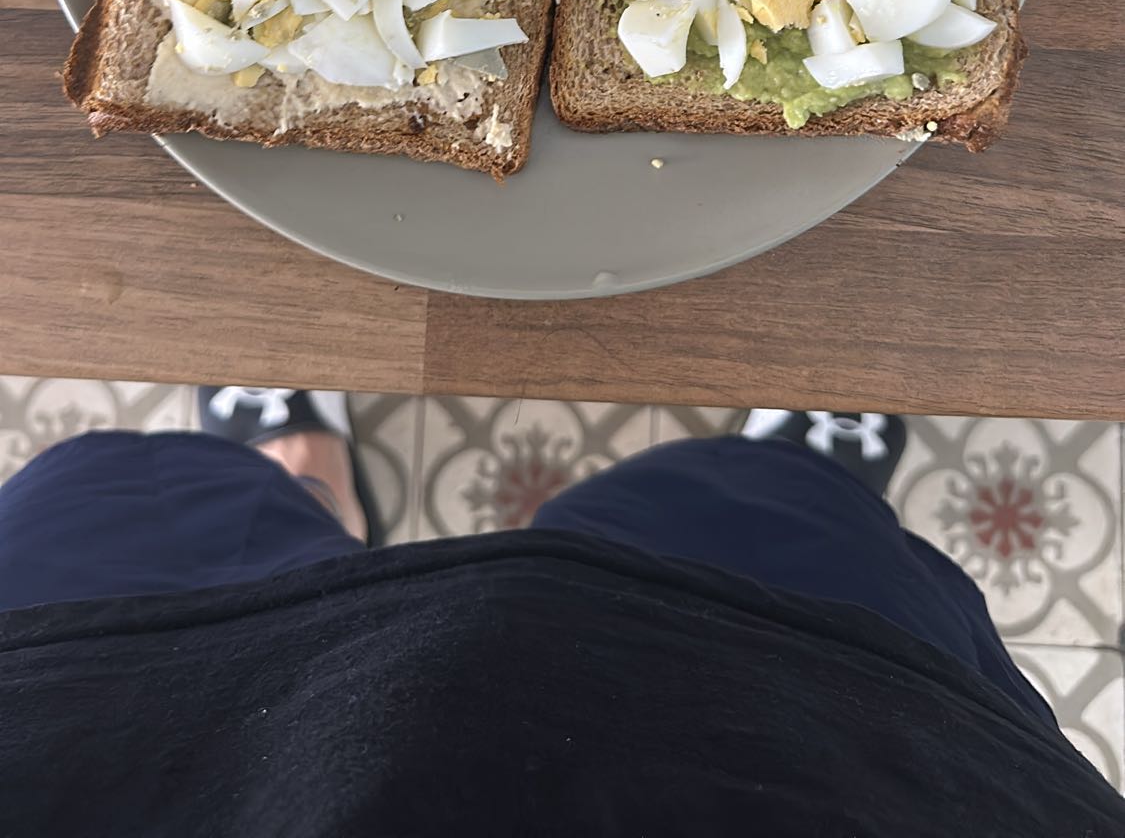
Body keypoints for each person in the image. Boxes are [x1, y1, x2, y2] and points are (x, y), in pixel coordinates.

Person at [0, 391, 1119, 836]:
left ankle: (300, 483)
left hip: (84, 721)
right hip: (808, 743)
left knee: (117, 487)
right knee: (752, 519)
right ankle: (791, 468)